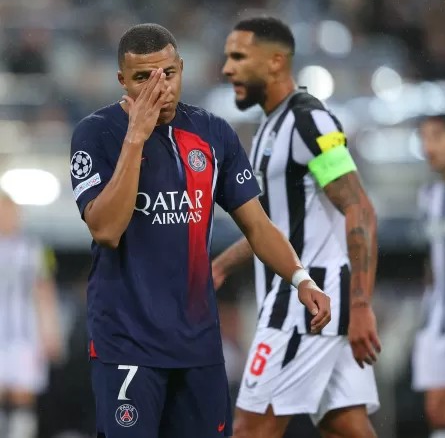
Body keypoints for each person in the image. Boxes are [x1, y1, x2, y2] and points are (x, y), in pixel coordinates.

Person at [69, 23, 331, 438]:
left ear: (182, 69)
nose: (159, 88)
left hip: (198, 346)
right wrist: (136, 138)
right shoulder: (96, 133)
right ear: (122, 80)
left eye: (168, 74)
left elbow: (257, 224)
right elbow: (106, 230)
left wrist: (302, 279)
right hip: (126, 342)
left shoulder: (213, 133)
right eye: (143, 78)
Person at [213, 16, 381, 438]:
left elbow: (359, 209)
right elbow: (275, 227)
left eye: (239, 57)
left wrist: (361, 305)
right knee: (346, 427)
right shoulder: (270, 127)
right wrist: (219, 266)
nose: (227, 68)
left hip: (305, 306)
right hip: (317, 305)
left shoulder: (309, 122)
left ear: (275, 62)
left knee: (249, 430)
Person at [0, 192, 61, 438]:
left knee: (23, 394)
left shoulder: (35, 248)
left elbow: (45, 291)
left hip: (25, 336)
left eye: (9, 212)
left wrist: (50, 333)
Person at [412, 114, 445, 438]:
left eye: (437, 136)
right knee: (437, 411)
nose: (428, 147)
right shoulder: (428, 195)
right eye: (423, 138)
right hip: (437, 318)